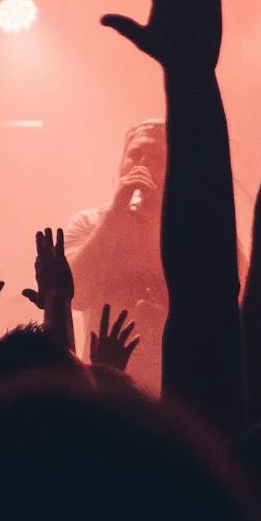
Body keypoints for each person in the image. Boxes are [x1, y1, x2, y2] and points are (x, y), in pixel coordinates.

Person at [65, 121, 169, 387]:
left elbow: (234, 304)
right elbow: (73, 294)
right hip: (104, 383)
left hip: (175, 385)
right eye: (135, 154)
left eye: (156, 157)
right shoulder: (88, 223)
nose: (142, 164)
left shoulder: (196, 230)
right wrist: (115, 213)